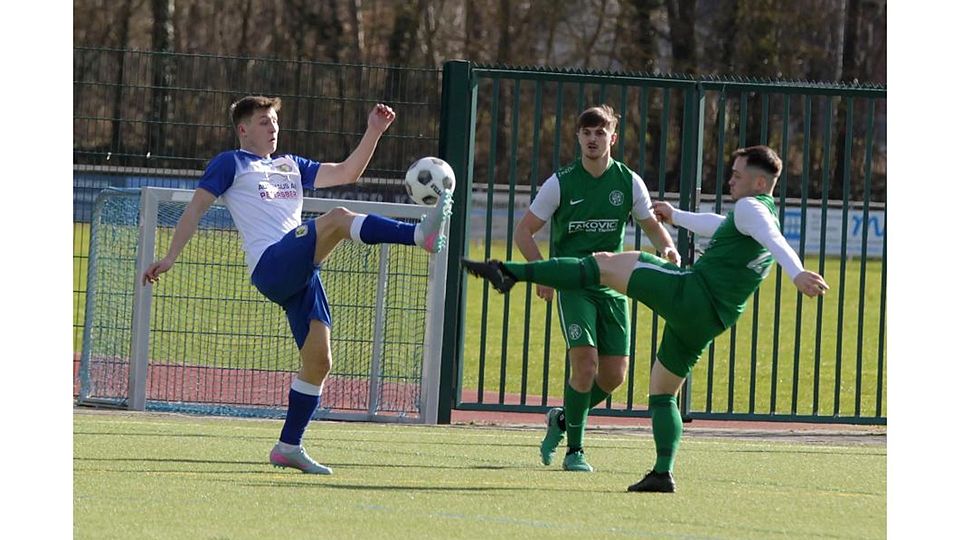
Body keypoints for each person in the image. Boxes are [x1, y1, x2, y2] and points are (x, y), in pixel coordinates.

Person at [463, 145, 829, 492]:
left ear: (760, 183)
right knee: (662, 392)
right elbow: (721, 225)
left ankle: (508, 272)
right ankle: (662, 472)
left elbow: (775, 239)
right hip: (710, 321)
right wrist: (676, 216)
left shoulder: (752, 208)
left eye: (736, 175)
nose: (730, 181)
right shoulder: (753, 212)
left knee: (603, 264)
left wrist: (796, 273)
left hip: (691, 294)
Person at [141, 96, 453, 475]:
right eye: (262, 122)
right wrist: (171, 256)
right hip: (272, 264)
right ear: (243, 130)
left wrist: (374, 130)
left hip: (301, 271)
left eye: (273, 121)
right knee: (338, 218)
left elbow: (347, 172)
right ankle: (419, 235)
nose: (272, 128)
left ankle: (288, 446)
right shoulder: (231, 163)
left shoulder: (291, 165)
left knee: (319, 361)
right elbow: (196, 208)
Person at [513, 105, 679, 473]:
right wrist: (543, 273)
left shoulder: (628, 181)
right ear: (577, 138)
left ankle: (561, 419)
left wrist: (667, 246)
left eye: (600, 132)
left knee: (614, 376)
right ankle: (575, 449)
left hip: (612, 282)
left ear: (613, 139)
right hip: (573, 282)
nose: (592, 138)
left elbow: (650, 224)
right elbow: (523, 232)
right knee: (584, 365)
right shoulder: (560, 182)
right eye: (586, 132)